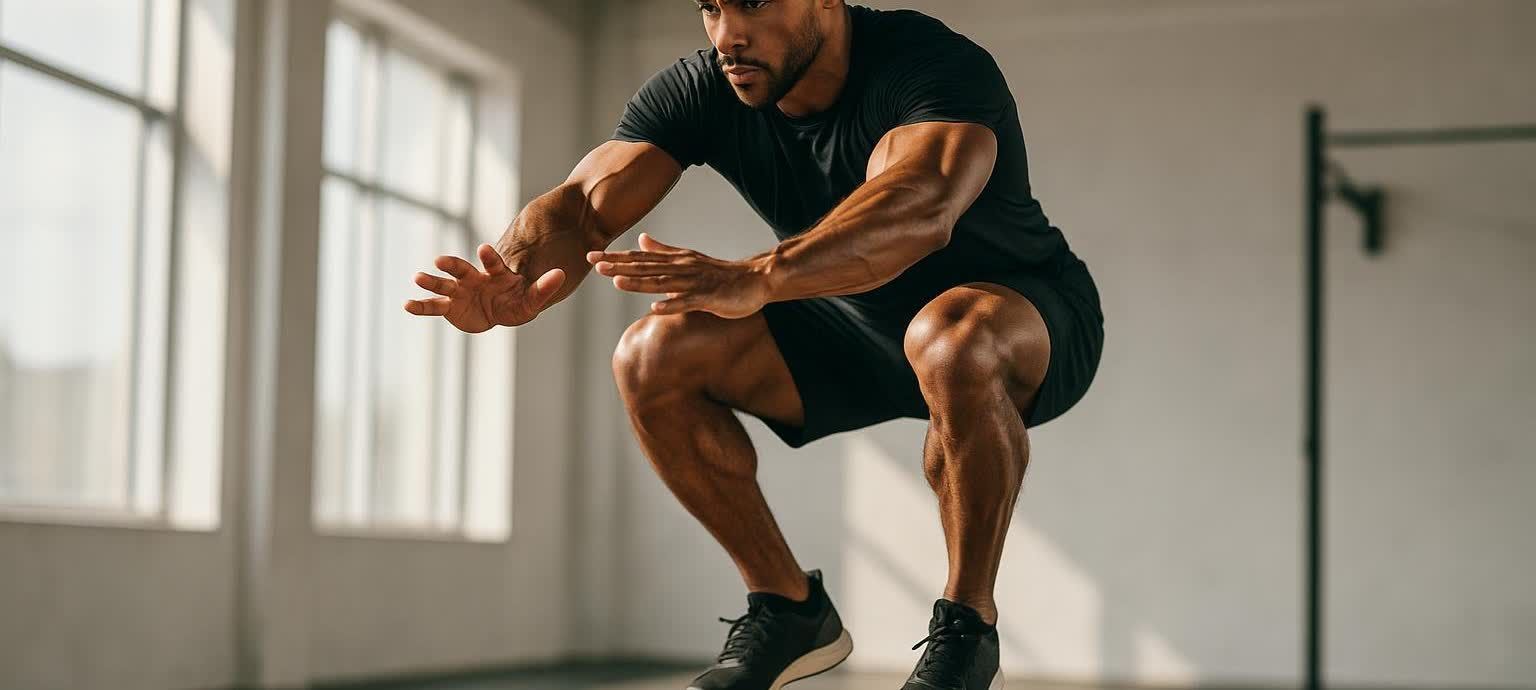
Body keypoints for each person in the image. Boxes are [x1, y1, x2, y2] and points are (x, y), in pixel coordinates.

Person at [404, 1, 1104, 688]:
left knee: (951, 338)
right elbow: (584, 204)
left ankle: (967, 630)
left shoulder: (929, 64)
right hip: (854, 328)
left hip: (1024, 321)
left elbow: (921, 205)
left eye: (752, 3)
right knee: (652, 356)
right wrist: (512, 269)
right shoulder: (704, 88)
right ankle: (789, 609)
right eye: (709, 6)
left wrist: (760, 276)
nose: (727, 34)